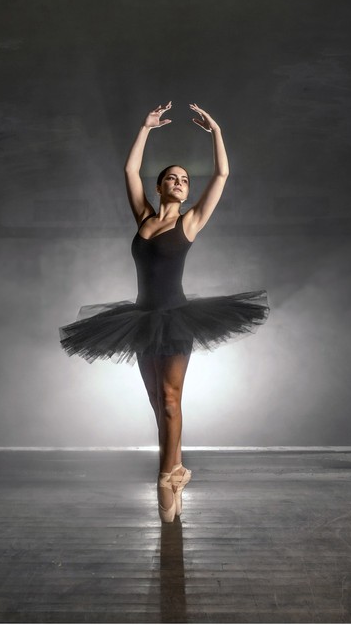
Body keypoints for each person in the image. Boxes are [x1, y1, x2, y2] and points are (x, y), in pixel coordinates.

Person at [60, 102, 268, 523]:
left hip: (175, 318)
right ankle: (176, 470)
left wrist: (217, 132)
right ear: (159, 188)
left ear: (187, 191)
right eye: (171, 178)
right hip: (138, 319)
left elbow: (223, 176)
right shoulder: (143, 218)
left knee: (171, 400)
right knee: (157, 402)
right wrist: (145, 128)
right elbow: (128, 173)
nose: (178, 182)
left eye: (184, 179)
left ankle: (163, 477)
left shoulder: (190, 222)